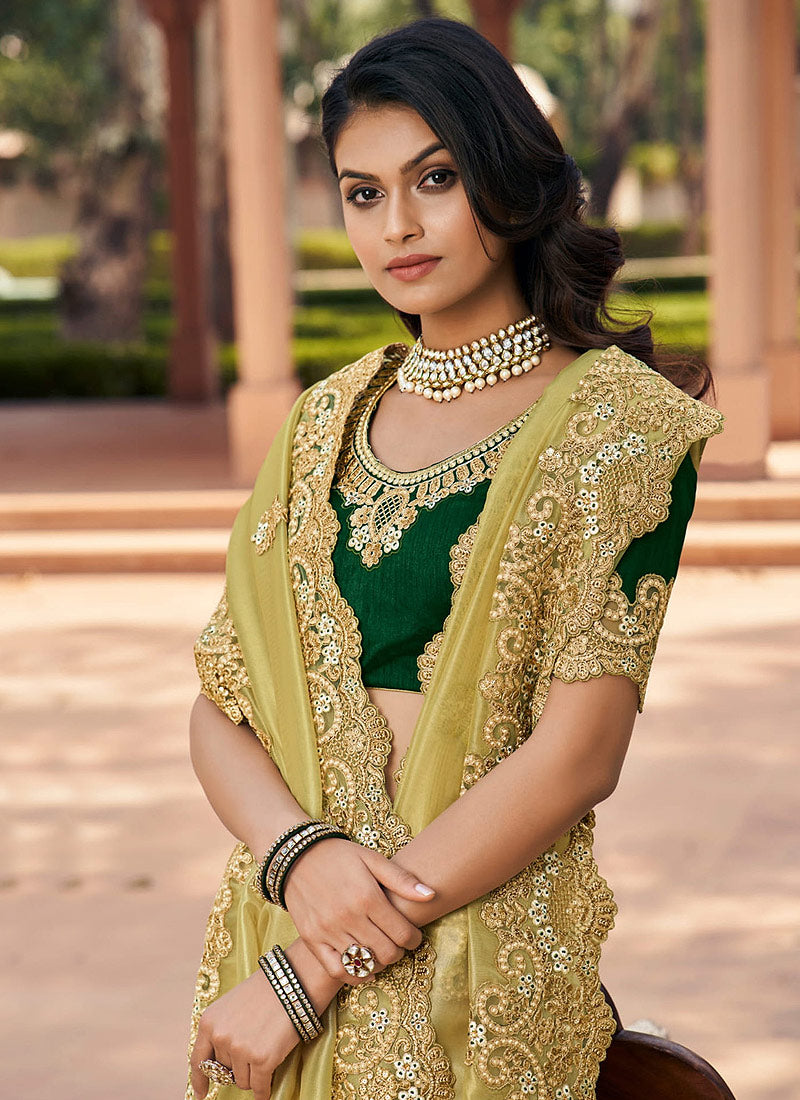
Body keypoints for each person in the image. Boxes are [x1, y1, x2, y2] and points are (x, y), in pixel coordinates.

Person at [186, 17, 724, 1100]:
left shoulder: (617, 426)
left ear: (502, 172)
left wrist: (310, 970)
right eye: (363, 192)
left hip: (478, 982)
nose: (398, 224)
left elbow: (576, 754)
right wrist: (302, 859)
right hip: (281, 935)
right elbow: (219, 709)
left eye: (433, 176)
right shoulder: (320, 423)